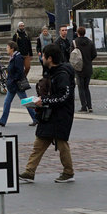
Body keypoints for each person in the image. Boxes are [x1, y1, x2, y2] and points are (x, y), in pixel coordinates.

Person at [17, 44, 76, 183]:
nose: (41, 58)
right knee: (40, 141)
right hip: (49, 113)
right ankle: (29, 171)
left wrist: (44, 100)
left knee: (61, 143)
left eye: (43, 56)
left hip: (61, 114)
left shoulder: (62, 74)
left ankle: (68, 172)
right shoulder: (51, 71)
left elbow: (64, 96)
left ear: (50, 58)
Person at [0, 40, 37, 127]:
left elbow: (19, 71)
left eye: (7, 47)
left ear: (12, 49)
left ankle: (36, 118)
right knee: (7, 102)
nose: (6, 49)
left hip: (16, 84)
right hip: (12, 85)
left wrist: (13, 80)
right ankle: (2, 121)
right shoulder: (13, 56)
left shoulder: (17, 57)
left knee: (25, 101)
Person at [73, 25, 97, 113]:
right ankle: (90, 106)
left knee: (81, 87)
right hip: (88, 67)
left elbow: (71, 55)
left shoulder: (75, 42)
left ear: (78, 33)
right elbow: (94, 54)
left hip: (79, 68)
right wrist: (88, 60)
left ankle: (83, 106)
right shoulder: (90, 42)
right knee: (86, 87)